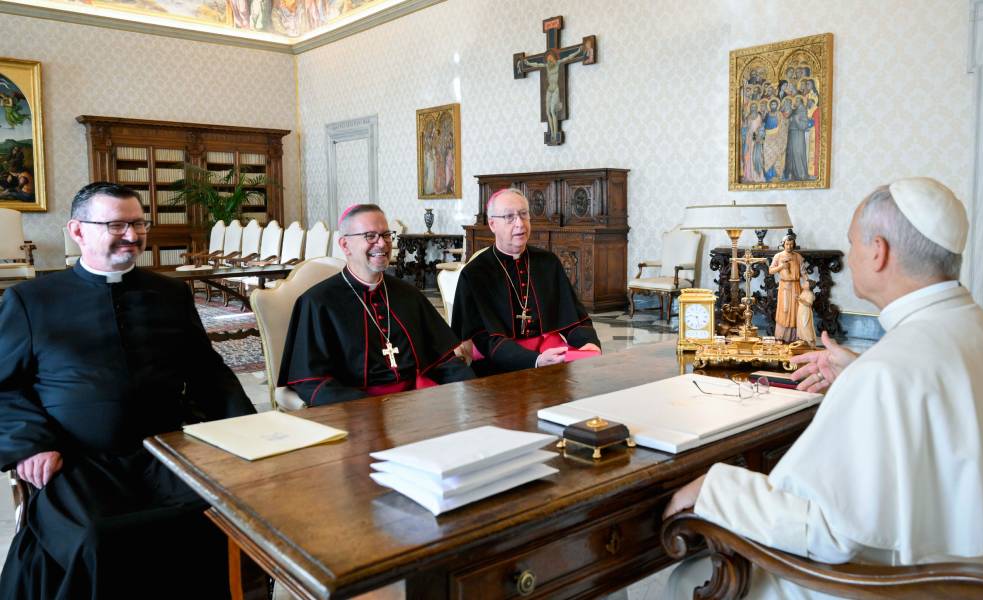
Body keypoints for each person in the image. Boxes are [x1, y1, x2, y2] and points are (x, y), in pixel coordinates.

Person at [663, 177, 983, 599]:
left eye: (853, 243)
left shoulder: (887, 372)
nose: (852, 257)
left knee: (691, 579)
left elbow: (827, 532)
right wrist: (860, 370)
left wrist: (714, 486)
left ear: (879, 252)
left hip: (902, 586)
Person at [0, 182, 255, 599]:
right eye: (116, 225)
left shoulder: (170, 293)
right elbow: (3, 385)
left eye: (138, 223)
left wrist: (246, 431)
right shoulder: (32, 300)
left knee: (216, 516)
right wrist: (30, 443)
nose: (133, 236)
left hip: (167, 450)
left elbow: (209, 372)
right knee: (98, 537)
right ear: (77, 230)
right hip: (80, 458)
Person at [279, 204, 474, 405]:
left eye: (386, 235)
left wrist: (473, 390)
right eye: (370, 236)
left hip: (418, 404)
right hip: (359, 413)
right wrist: (373, 409)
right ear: (345, 245)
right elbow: (312, 383)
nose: (382, 244)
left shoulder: (408, 295)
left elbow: (442, 360)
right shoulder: (317, 303)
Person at [450, 188, 601, 375]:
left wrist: (588, 343)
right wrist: (535, 360)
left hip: (552, 358)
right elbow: (485, 340)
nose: (520, 224)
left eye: (524, 215)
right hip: (497, 370)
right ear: (492, 224)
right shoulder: (475, 273)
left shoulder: (548, 263)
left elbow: (574, 319)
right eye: (509, 217)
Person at [769, 233, 805, 342]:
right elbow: (770, 270)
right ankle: (782, 336)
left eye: (791, 244)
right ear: (783, 244)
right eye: (787, 244)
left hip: (796, 286)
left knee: (796, 310)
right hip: (784, 286)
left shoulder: (798, 257)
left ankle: (795, 337)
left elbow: (803, 271)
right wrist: (781, 266)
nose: (789, 246)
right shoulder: (778, 256)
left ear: (794, 245)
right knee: (784, 311)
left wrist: (807, 281)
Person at [795, 278, 816, 345]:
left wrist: (800, 299)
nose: (803, 284)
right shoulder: (803, 292)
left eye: (806, 284)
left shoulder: (810, 294)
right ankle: (803, 340)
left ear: (809, 286)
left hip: (805, 311)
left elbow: (809, 304)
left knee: (806, 325)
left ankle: (810, 341)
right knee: (800, 325)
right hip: (800, 310)